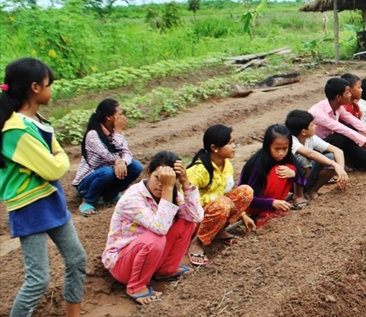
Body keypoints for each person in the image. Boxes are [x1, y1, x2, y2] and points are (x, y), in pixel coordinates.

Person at [0, 59, 99, 317]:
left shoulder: (37, 121)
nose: (51, 89)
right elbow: (55, 167)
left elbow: (55, 161)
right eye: (49, 84)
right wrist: (59, 157)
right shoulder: (15, 130)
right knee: (38, 279)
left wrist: (57, 157)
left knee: (77, 259)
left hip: (49, 200)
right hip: (29, 206)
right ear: (34, 87)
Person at [102, 151, 202, 305]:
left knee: (187, 222)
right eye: (157, 178)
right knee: (156, 238)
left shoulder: (172, 193)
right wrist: (168, 188)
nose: (161, 184)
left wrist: (185, 182)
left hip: (149, 258)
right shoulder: (133, 197)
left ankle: (166, 270)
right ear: (148, 173)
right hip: (123, 263)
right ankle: (136, 286)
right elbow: (160, 228)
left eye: (167, 180)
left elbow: (196, 217)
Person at [185, 125, 254, 267]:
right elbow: (184, 200)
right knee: (222, 204)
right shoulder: (198, 171)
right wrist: (215, 198)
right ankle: (197, 242)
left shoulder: (226, 164)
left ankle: (220, 231)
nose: (234, 146)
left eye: (234, 142)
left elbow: (226, 193)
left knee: (246, 192)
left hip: (215, 210)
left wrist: (242, 215)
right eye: (229, 143)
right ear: (214, 147)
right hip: (194, 217)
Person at [73, 98, 143, 217]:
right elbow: (108, 156)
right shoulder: (93, 135)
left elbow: (126, 152)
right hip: (87, 183)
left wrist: (123, 161)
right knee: (107, 171)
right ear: (109, 117)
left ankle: (110, 195)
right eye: (119, 115)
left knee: (136, 166)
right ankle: (88, 200)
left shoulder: (116, 133)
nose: (122, 118)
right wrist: (118, 134)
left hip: (107, 177)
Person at [308, 78, 366, 171]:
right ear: (338, 97)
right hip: (320, 146)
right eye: (347, 93)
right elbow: (342, 129)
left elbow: (355, 122)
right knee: (343, 134)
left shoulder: (338, 107)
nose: (350, 95)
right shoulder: (318, 112)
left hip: (341, 143)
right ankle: (346, 159)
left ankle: (358, 154)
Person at [285, 110, 349, 201]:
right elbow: (310, 154)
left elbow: (337, 151)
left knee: (332, 156)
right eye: (312, 125)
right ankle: (298, 195)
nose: (315, 126)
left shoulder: (310, 138)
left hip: (307, 176)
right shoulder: (291, 141)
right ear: (303, 132)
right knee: (303, 159)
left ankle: (313, 190)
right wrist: (334, 164)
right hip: (292, 179)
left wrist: (341, 171)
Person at [241, 124, 297, 225]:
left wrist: (293, 174)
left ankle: (273, 209)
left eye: (285, 149)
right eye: (277, 149)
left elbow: (303, 181)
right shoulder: (258, 164)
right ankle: (265, 215)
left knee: (290, 169)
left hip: (269, 202)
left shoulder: (288, 158)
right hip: (250, 205)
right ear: (268, 146)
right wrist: (272, 203)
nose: (281, 153)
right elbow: (248, 199)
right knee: (278, 171)